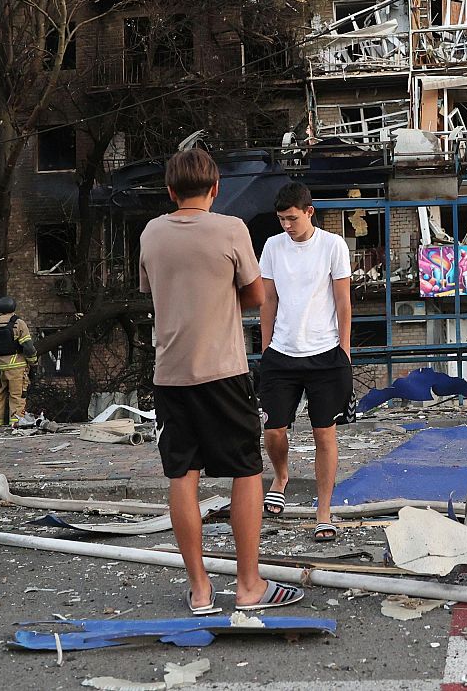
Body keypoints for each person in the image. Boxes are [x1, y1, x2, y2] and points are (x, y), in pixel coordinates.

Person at [138, 148, 303, 613]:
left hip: (170, 375)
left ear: (170, 191)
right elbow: (255, 294)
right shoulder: (231, 229)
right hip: (223, 373)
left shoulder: (151, 232)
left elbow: (152, 291)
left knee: (182, 475)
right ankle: (249, 585)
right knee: (247, 471)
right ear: (216, 189)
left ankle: (200, 589)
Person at [257, 182, 354, 542]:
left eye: (292, 218)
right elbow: (267, 300)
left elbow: (343, 301)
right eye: (281, 219)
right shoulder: (271, 247)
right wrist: (266, 348)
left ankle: (323, 513)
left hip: (325, 354)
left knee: (323, 434)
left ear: (309, 212)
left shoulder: (332, 245)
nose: (286, 225)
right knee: (273, 430)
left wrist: (344, 349)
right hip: (281, 353)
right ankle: (281, 477)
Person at [0, 296, 37, 428]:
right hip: (17, 369)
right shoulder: (19, 323)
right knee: (17, 398)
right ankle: (16, 427)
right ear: (13, 308)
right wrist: (33, 362)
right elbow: (28, 347)